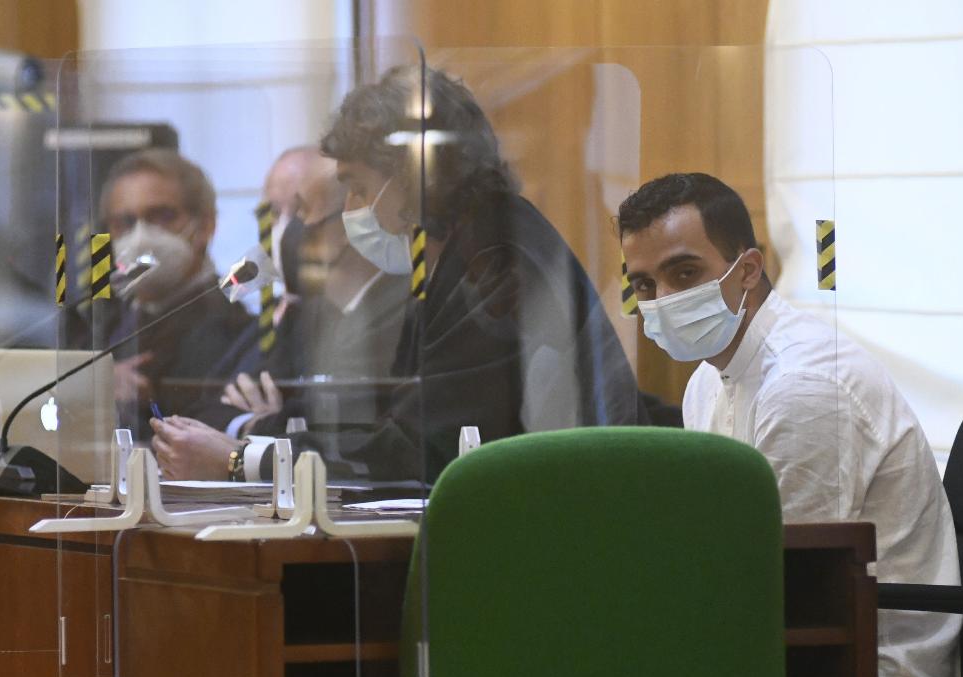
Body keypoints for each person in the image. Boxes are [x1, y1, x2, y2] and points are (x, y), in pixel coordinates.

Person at [151, 65, 645, 482]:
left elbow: (418, 452)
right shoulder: (465, 253)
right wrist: (259, 437)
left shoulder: (495, 264)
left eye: (360, 188)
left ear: (414, 175)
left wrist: (240, 460)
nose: (351, 209)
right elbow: (396, 426)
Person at [617, 173, 962, 677]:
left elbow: (790, 583)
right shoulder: (710, 380)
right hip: (787, 643)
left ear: (747, 270)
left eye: (684, 273)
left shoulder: (804, 385)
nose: (663, 301)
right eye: (644, 285)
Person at [195, 146, 409, 437]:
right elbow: (207, 407)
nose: (288, 227)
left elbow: (335, 422)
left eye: (300, 211)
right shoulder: (302, 314)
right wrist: (252, 424)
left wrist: (266, 427)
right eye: (273, 212)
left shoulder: (400, 309)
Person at [81, 148, 253, 437]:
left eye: (161, 216)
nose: (140, 237)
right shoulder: (98, 320)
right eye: (125, 222)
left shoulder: (235, 329)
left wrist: (142, 400)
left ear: (206, 225)